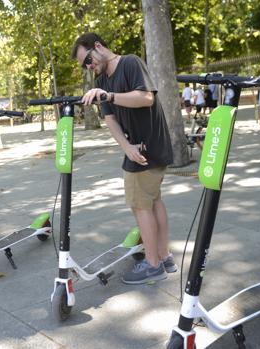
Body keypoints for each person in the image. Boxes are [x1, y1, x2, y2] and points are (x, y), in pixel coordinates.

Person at [72, 32, 176, 284]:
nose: (89, 67)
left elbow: (146, 97)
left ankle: (152, 265)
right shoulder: (102, 80)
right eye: (84, 66)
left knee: (140, 205)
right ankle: (164, 257)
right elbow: (110, 119)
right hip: (137, 148)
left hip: (149, 146)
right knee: (153, 201)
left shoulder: (129, 62)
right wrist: (126, 147)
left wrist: (108, 96)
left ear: (98, 46)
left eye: (88, 60)